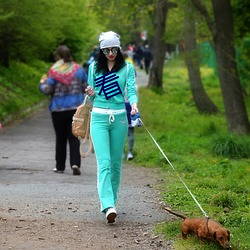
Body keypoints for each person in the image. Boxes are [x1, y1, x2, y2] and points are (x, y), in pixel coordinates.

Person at [85, 31, 138, 223]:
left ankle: (112, 201)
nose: (110, 53)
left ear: (119, 48)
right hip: (98, 117)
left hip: (120, 119)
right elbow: (91, 97)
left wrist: (134, 104)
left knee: (116, 164)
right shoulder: (93, 68)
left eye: (114, 49)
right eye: (106, 50)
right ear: (101, 50)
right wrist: (90, 92)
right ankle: (107, 205)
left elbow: (131, 90)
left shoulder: (127, 68)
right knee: (104, 163)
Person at [39, 45, 88, 175]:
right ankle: (75, 163)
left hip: (58, 109)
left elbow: (47, 90)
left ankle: (60, 166)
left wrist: (42, 83)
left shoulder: (54, 71)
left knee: (60, 138)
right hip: (75, 109)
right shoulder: (79, 70)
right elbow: (86, 87)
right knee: (74, 137)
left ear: (58, 57)